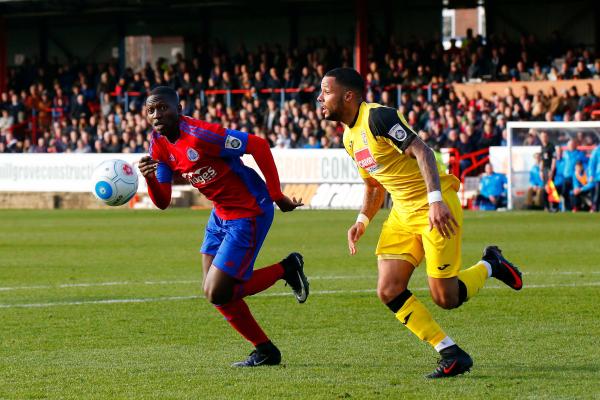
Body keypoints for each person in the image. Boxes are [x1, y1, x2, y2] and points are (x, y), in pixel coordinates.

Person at [317, 68, 522, 379]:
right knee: (388, 289)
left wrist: (437, 200)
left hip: (433, 206)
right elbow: (374, 184)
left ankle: (491, 264)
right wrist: (362, 220)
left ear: (348, 96)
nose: (320, 97)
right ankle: (450, 352)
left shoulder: (378, 118)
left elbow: (423, 151)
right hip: (402, 212)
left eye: (326, 91)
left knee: (446, 298)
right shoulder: (348, 137)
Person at [138, 86, 309, 367]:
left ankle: (286, 268)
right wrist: (151, 179)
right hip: (221, 215)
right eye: (150, 110)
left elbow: (258, 145)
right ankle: (266, 351)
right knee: (216, 292)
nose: (156, 114)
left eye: (163, 108)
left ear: (178, 110)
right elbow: (163, 201)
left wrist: (277, 195)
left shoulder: (201, 135)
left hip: (249, 211)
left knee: (217, 291)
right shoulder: (158, 143)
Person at [539, 131, 557, 212]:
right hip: (545, 170)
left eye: (545, 136)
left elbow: (554, 159)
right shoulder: (542, 147)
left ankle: (554, 206)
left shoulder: (551, 146)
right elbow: (542, 160)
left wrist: (552, 171)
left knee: (550, 188)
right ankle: (547, 206)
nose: (543, 138)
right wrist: (541, 171)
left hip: (550, 170)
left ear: (547, 137)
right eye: (542, 137)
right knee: (545, 188)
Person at [589, 144, 600, 212]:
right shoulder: (597, 150)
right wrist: (591, 175)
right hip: (598, 177)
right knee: (597, 193)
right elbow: (592, 163)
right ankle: (594, 208)